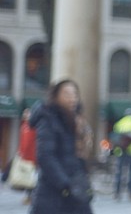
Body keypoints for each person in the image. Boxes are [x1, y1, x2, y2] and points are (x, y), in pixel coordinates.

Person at [28, 79, 94, 214]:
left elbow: (76, 155)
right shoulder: (48, 119)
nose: (72, 99)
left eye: (75, 94)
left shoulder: (74, 120)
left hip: (74, 189)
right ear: (56, 96)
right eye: (67, 94)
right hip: (53, 194)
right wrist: (65, 185)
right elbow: (45, 156)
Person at [8, 108, 38, 204]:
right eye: (25, 114)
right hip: (24, 156)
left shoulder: (33, 127)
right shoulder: (24, 126)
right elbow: (22, 141)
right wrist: (20, 151)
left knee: (31, 178)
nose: (26, 115)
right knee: (27, 177)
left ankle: (31, 197)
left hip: (32, 157)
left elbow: (32, 142)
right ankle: (29, 196)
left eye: (28, 114)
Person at [111, 108, 131, 200]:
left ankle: (117, 192)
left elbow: (114, 137)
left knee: (119, 171)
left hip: (120, 150)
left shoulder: (119, 123)